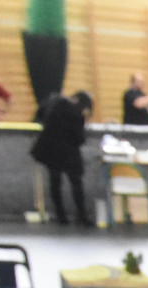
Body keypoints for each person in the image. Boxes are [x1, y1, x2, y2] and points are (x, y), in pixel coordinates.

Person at [31, 91, 94, 226]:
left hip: (50, 150)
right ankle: (81, 215)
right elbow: (79, 138)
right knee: (76, 183)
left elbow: (39, 116)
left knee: (55, 182)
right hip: (70, 153)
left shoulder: (53, 102)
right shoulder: (77, 114)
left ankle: (61, 215)